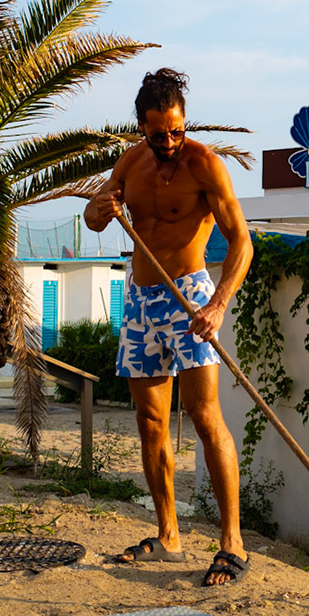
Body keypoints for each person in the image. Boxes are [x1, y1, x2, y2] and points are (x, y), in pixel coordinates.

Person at [84, 68, 255, 586]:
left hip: (191, 301)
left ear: (184, 121)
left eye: (177, 130)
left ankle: (232, 543)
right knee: (150, 421)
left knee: (205, 417)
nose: (169, 142)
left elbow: (242, 242)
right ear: (141, 127)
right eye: (159, 134)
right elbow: (95, 220)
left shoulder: (204, 164)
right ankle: (169, 537)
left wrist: (218, 305)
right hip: (139, 301)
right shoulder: (131, 163)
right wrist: (99, 207)